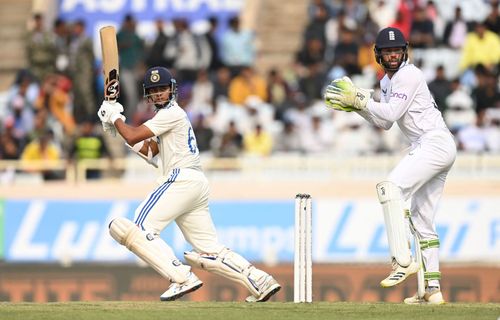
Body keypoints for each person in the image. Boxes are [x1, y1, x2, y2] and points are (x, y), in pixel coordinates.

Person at [97, 66, 281, 302]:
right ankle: (259, 280)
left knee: (138, 228)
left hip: (180, 179)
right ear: (148, 94)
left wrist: (115, 117)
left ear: (172, 89)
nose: (159, 94)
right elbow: (151, 151)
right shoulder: (168, 117)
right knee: (208, 250)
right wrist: (117, 126)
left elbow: (133, 135)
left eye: (163, 89)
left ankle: (181, 277)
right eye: (154, 91)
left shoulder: (170, 114)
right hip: (195, 183)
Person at [324, 27, 457, 305]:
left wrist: (360, 98)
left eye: (397, 51)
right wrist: (358, 107)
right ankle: (432, 290)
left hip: (433, 142)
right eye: (387, 51)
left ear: (404, 51)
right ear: (379, 54)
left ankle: (402, 260)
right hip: (434, 145)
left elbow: (392, 112)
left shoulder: (410, 74)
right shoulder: (387, 82)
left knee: (391, 189)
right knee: (422, 218)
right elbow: (384, 122)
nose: (393, 55)